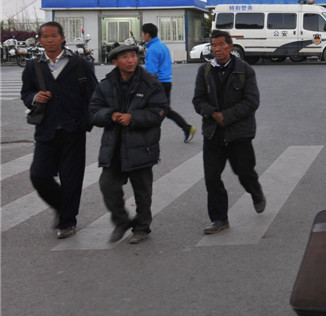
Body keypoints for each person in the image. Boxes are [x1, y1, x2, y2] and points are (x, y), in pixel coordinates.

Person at [21, 21, 98, 239]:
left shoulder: (81, 65)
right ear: (39, 40)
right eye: (45, 37)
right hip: (45, 130)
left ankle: (67, 221)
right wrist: (35, 97)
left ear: (63, 38)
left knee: (71, 179)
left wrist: (86, 122)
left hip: (73, 131)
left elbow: (93, 96)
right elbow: (26, 93)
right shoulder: (33, 66)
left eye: (54, 36)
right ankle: (62, 206)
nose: (50, 40)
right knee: (39, 175)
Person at [89, 44, 168, 244]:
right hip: (114, 146)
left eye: (133, 56)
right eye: (125, 57)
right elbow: (93, 111)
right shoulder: (106, 84)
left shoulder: (150, 82)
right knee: (107, 185)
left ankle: (142, 228)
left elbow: (159, 111)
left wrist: (133, 117)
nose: (131, 60)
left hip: (142, 145)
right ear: (115, 62)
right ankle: (121, 221)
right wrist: (111, 115)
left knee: (142, 191)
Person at [192, 29, 266, 234]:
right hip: (213, 133)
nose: (217, 49)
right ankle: (219, 219)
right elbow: (198, 100)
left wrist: (227, 116)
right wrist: (213, 113)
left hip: (239, 133)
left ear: (230, 47)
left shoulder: (244, 70)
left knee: (244, 171)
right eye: (214, 45)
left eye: (221, 45)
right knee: (212, 177)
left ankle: (255, 191)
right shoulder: (204, 71)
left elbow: (252, 102)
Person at [141, 23, 196, 142]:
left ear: (147, 34)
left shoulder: (152, 50)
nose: (142, 36)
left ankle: (151, 137)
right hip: (167, 82)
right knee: (164, 110)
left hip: (158, 83)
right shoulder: (162, 46)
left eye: (142, 33)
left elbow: (151, 73)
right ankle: (186, 128)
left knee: (157, 110)